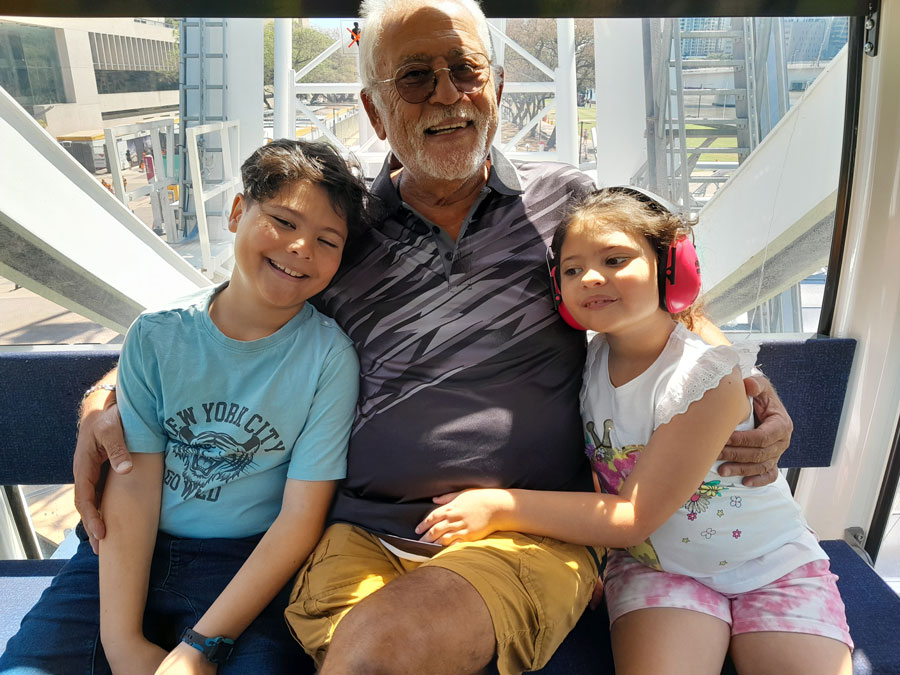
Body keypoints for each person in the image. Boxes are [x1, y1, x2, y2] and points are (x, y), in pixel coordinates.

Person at [68, 1, 794, 673]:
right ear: (375, 112)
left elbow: (662, 296)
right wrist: (106, 391)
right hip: (356, 534)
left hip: (524, 532)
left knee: (384, 647)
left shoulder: (564, 207)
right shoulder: (342, 228)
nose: (447, 94)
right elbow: (232, 306)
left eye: (465, 70)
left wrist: (744, 386)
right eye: (415, 77)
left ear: (498, 87)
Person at [415, 187, 852, 675]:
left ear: (671, 268)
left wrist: (498, 507)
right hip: (658, 570)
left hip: (774, 565)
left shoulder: (703, 377)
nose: (592, 278)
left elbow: (633, 516)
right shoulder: (591, 358)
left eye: (616, 259)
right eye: (572, 270)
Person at [0, 138, 367, 674]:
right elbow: (134, 481)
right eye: (284, 222)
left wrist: (198, 648)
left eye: (326, 240)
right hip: (125, 552)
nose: (300, 248)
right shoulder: (158, 335)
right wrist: (123, 640)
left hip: (246, 564)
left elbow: (297, 520)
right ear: (239, 211)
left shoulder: (329, 359)